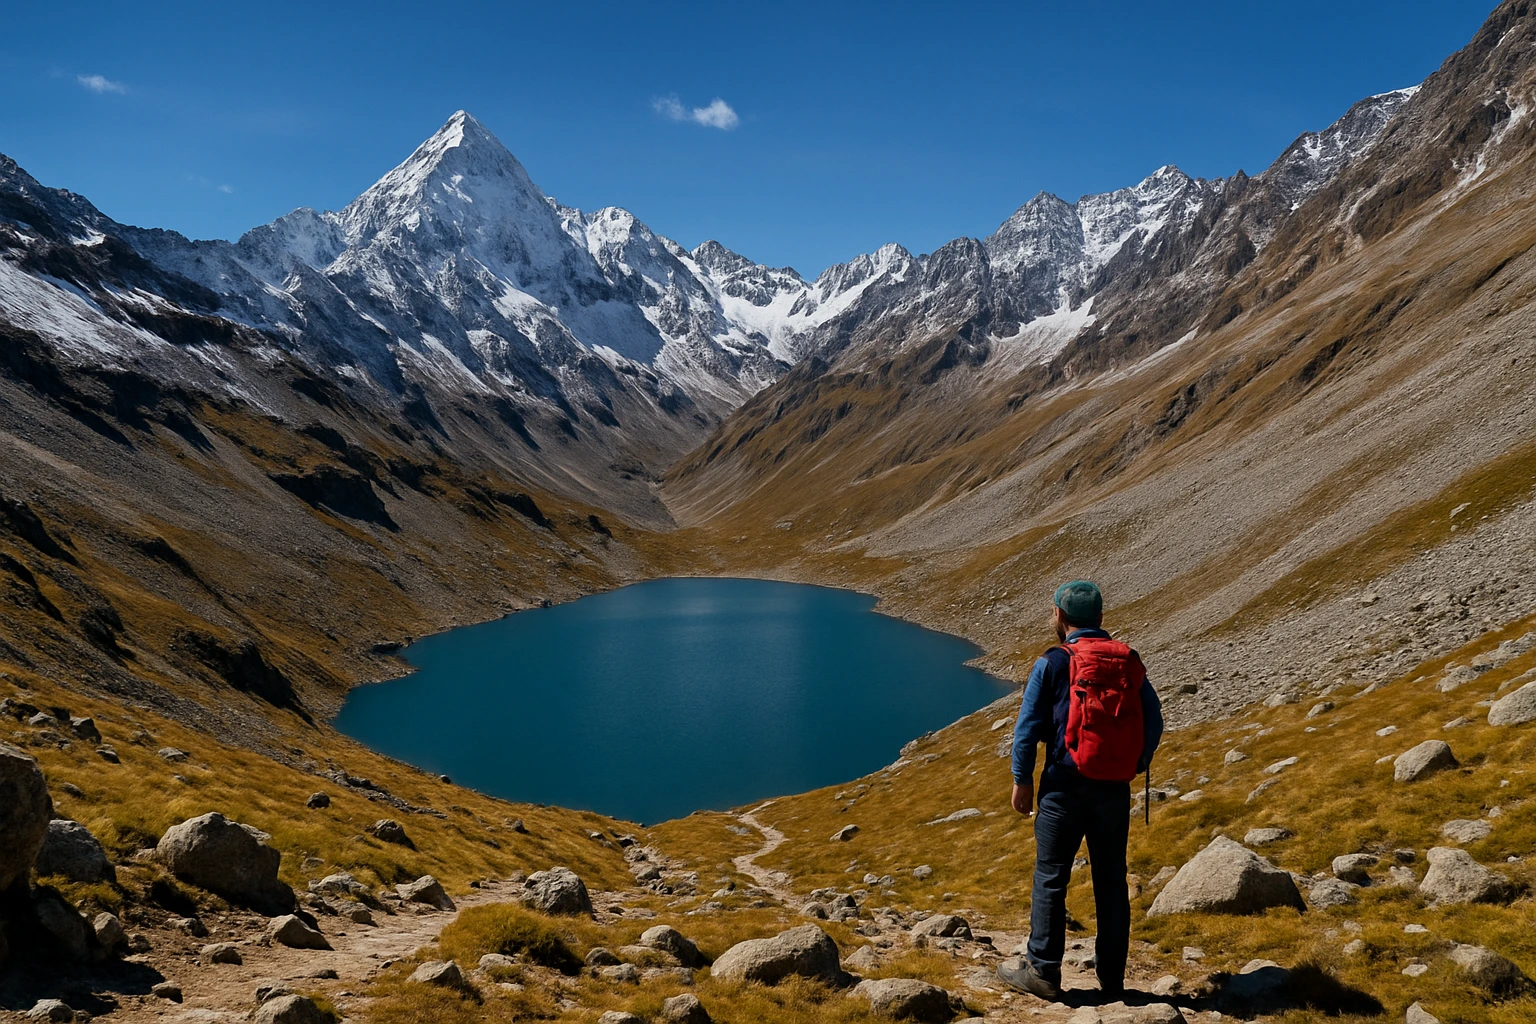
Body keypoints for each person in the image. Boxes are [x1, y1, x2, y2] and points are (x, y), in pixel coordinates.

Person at [996, 580, 1163, 1000]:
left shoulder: (1054, 662)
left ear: (1058, 616)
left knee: (1051, 876)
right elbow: (1154, 720)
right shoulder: (1127, 660)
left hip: (1063, 790)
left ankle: (1044, 973)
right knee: (1111, 880)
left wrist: (1022, 781)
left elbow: (1027, 730)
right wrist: (1133, 765)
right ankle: (1113, 980)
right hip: (1113, 790)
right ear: (1101, 619)